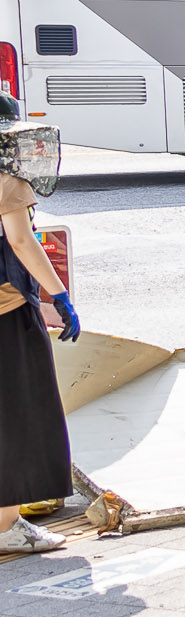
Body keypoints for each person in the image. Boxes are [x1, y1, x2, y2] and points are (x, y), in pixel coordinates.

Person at [0, 93, 77, 555]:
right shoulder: (7, 177)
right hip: (6, 312)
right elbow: (22, 241)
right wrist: (60, 296)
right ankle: (7, 525)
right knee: (18, 416)